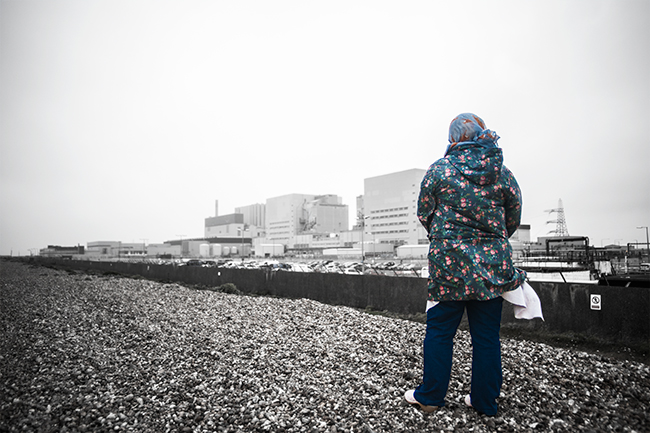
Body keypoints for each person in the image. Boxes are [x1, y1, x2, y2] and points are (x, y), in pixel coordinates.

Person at [404, 113, 526, 416]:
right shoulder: (502, 173)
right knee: (486, 337)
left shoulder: (439, 171)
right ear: (482, 134)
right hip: (491, 269)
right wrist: (492, 243)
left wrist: (445, 237)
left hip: (450, 267)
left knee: (440, 332)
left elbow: (424, 213)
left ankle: (430, 397)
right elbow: (514, 216)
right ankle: (484, 402)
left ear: (453, 139)